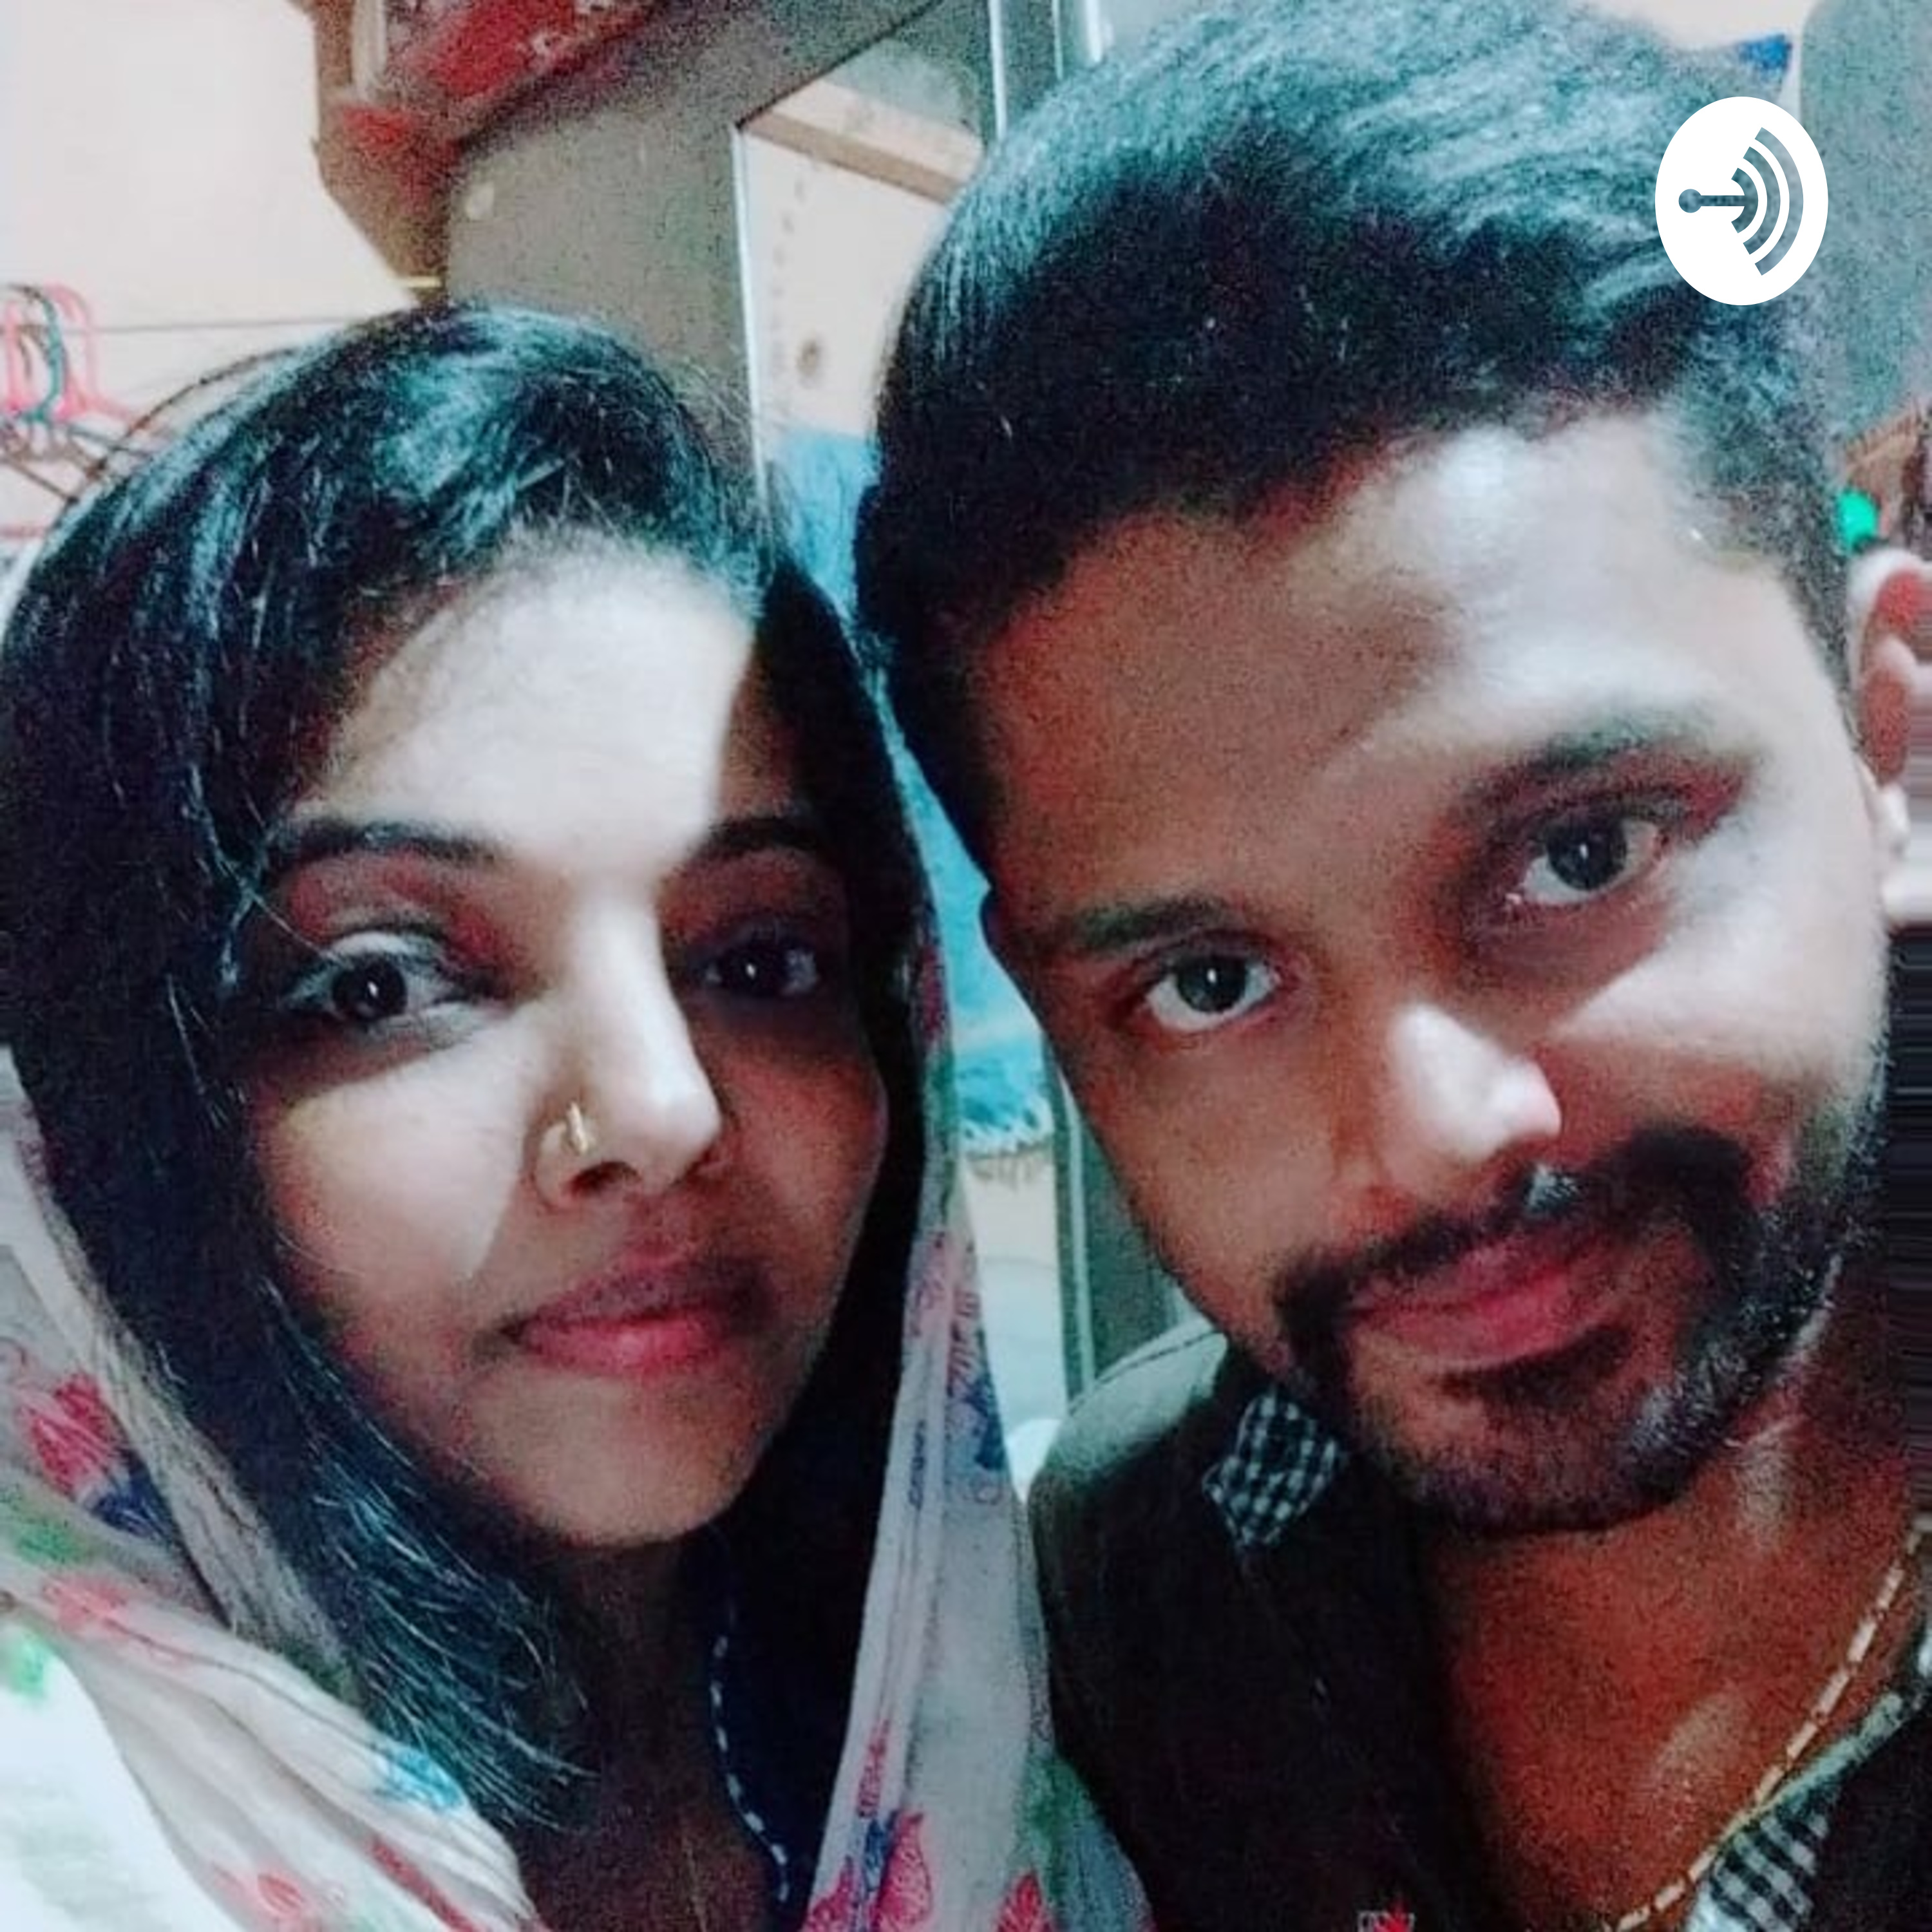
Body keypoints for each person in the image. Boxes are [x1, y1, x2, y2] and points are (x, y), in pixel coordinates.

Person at [855, 1, 1932, 1926]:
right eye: (1208, 982)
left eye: (1578, 854)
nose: (1433, 1133)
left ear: (1890, 747)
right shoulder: (1131, 1592)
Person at [0, 303, 1145, 1931]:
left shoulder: (994, 1708)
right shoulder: (64, 1833)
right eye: (384, 984)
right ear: (96, 1125)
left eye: (762, 959)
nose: (662, 1109)